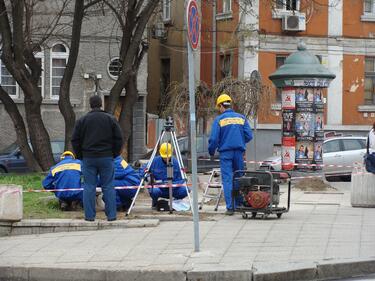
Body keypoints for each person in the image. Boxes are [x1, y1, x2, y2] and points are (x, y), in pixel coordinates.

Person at [71, 95, 123, 222]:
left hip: (88, 158)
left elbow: (75, 140)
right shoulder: (110, 119)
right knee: (108, 186)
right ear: (101, 104)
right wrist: (114, 154)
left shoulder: (82, 120)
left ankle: (89, 216)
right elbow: (119, 138)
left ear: (90, 105)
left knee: (89, 186)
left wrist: (80, 155)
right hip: (106, 157)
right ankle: (111, 216)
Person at [208, 92, 253, 215]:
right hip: (239, 152)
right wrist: (240, 141)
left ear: (221, 106)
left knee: (227, 179)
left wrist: (211, 151)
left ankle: (230, 207)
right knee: (238, 177)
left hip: (226, 153)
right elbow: (249, 135)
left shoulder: (219, 120)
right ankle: (239, 203)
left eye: (219, 107)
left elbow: (213, 139)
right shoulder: (241, 118)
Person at [142, 142, 188, 210]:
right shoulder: (155, 161)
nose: (166, 158)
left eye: (168, 157)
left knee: (185, 190)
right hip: (159, 188)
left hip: (173, 189)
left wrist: (173, 184)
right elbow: (143, 169)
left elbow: (181, 178)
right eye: (164, 157)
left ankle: (176, 202)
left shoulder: (175, 163)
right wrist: (148, 177)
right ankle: (155, 202)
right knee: (154, 191)